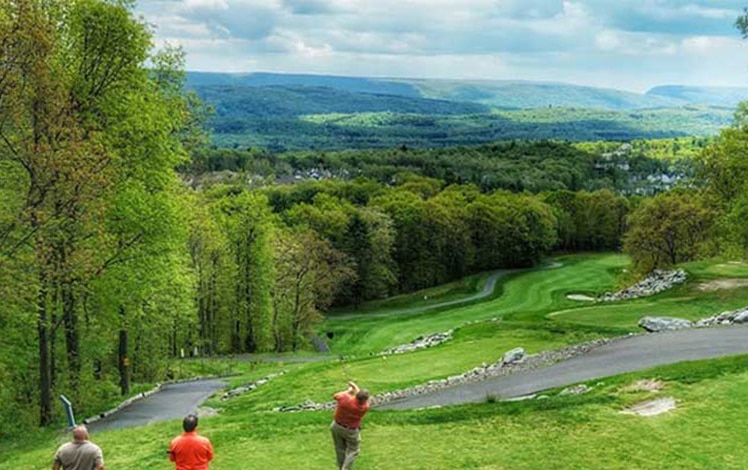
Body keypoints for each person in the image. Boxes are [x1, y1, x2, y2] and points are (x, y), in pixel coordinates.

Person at [331, 381, 370, 470]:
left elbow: (335, 396)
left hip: (336, 426)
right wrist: (355, 387)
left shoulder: (345, 398)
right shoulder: (364, 407)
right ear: (365, 400)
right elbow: (360, 397)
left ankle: (341, 467)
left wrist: (349, 390)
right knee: (353, 450)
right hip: (351, 431)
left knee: (339, 448)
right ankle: (345, 469)